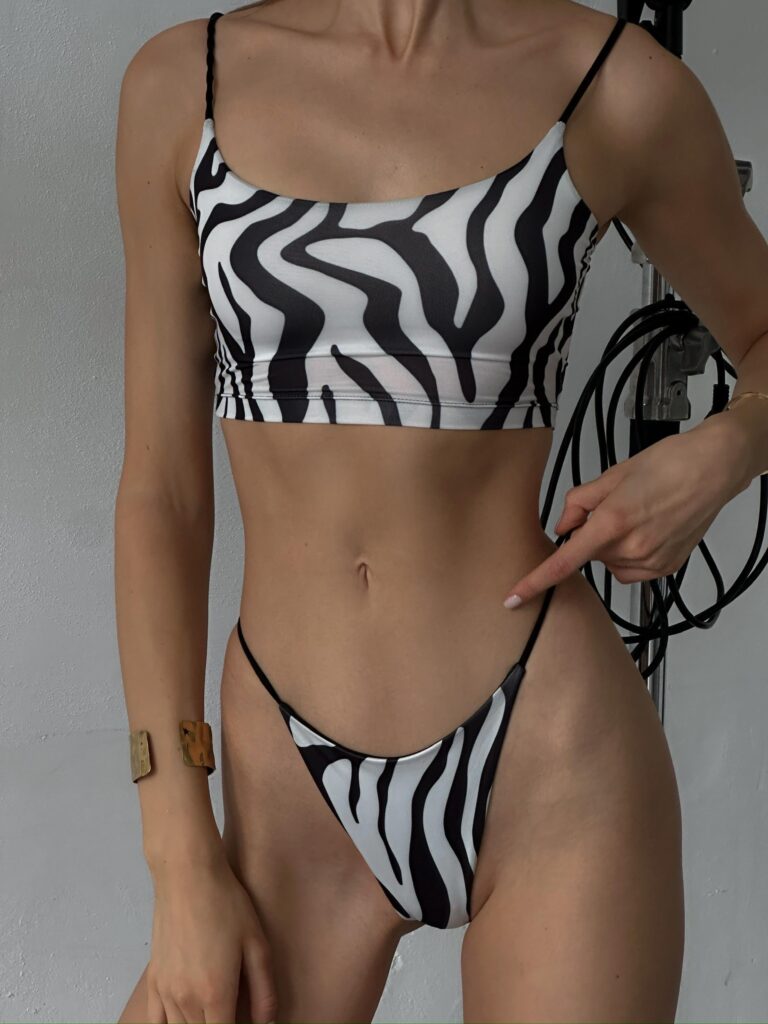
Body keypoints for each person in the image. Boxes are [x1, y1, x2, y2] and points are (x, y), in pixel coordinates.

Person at [113, 1, 768, 1021]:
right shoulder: (182, 84)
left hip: (551, 753)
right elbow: (162, 494)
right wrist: (176, 851)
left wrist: (720, 453)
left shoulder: (610, 82)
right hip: (287, 779)